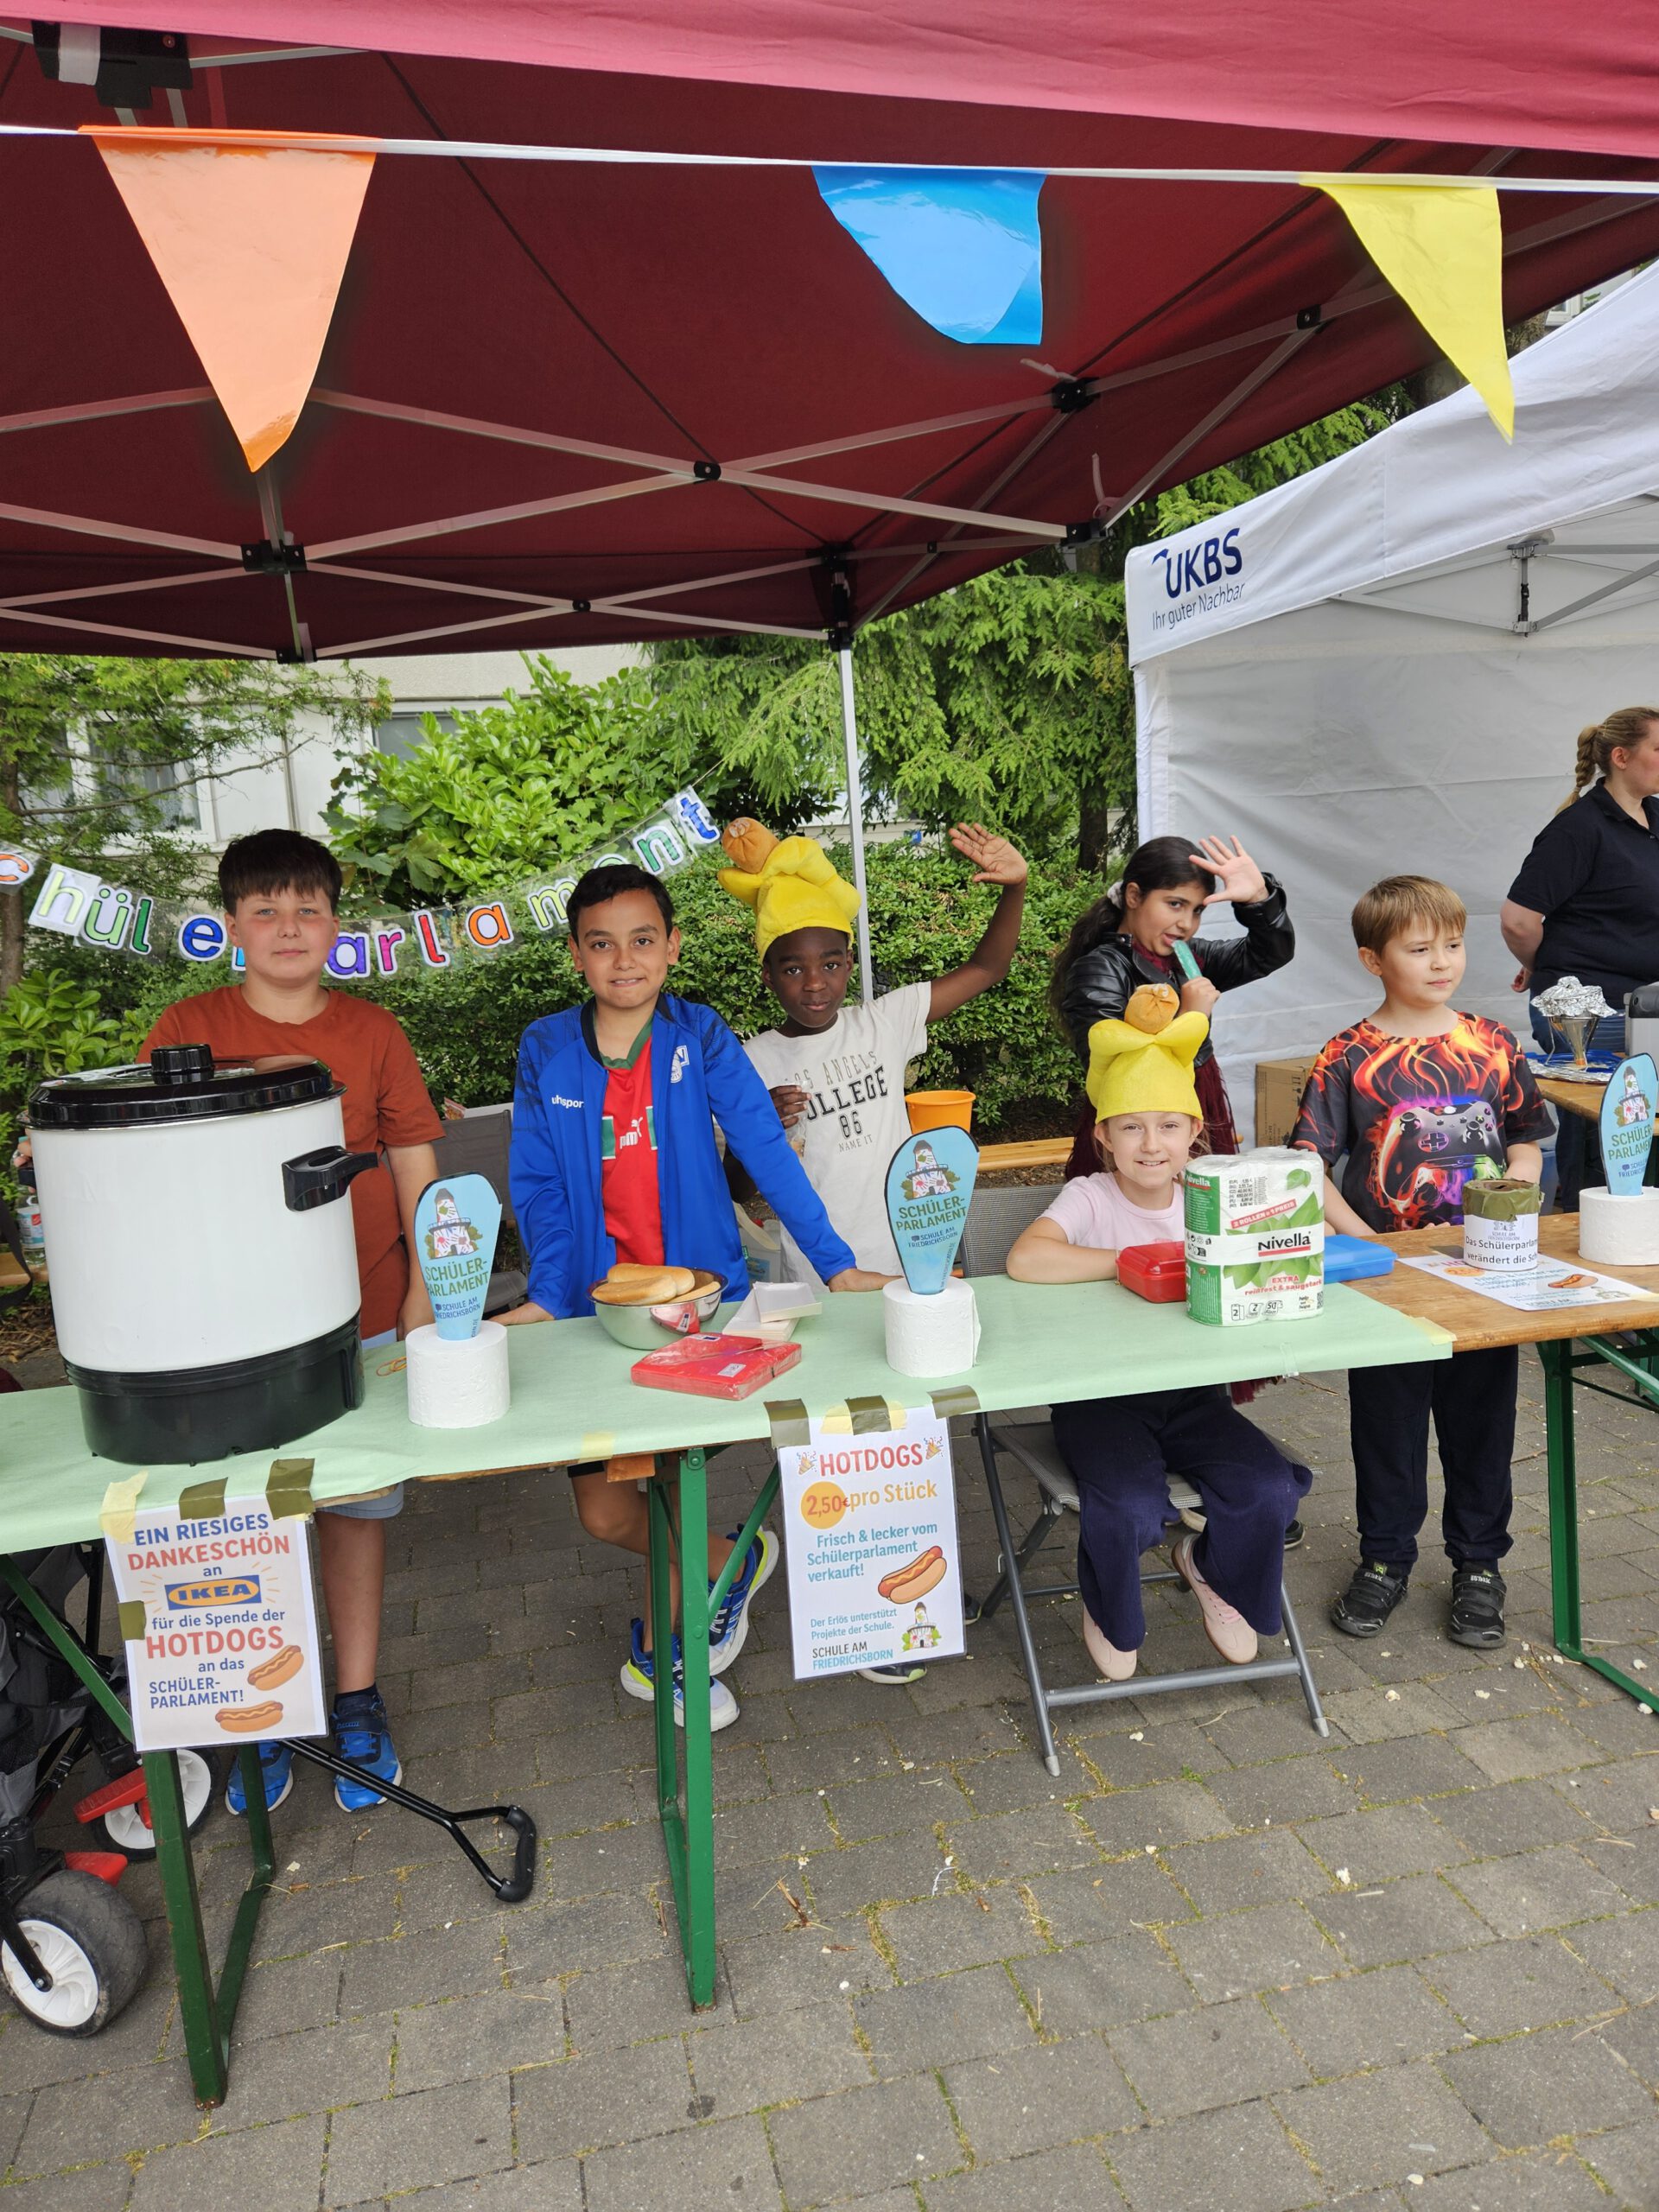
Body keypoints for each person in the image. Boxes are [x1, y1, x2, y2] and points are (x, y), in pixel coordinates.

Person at [504, 861, 885, 1732]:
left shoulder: (699, 1034)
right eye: (602, 944)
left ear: (672, 946)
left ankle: (679, 1652)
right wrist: (550, 1294)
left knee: (672, 1480)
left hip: (702, 1309)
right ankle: (729, 1561)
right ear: (575, 955)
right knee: (606, 1508)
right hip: (594, 1317)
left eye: (643, 940)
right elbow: (538, 1187)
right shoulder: (545, 1048)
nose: (625, 960)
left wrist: (834, 1263)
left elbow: (768, 1149)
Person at [143, 830, 441, 1816]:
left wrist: (425, 1289)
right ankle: (265, 1709)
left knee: (357, 1509)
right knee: (247, 1516)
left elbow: (412, 1165)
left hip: (364, 1312)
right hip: (228, 1338)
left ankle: (354, 1697)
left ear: (335, 926)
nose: (287, 927)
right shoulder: (185, 1026)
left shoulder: (375, 1031)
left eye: (307, 909)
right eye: (264, 910)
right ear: (229, 925)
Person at [721, 817, 1027, 1680]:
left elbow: (989, 969)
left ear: (850, 964)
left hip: (901, 1270)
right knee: (831, 1439)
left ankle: (909, 1599)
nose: (812, 981)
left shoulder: (885, 1023)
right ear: (768, 974)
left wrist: (1015, 889)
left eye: (827, 962)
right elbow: (743, 1190)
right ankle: (853, 1599)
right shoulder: (751, 1060)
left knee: (906, 1432)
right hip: (816, 1282)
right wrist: (755, 1134)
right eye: (791, 965)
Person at [1005, 987, 1311, 1680]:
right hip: (1100, 1399)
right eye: (1131, 1127)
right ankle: (1112, 1608)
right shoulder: (1091, 1196)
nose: (1151, 1144)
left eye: (1169, 1127)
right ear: (1103, 1138)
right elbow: (1026, 1259)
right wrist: (1132, 1263)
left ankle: (1213, 1570)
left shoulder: (1211, 1195)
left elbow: (1281, 1247)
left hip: (1195, 1397)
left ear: (1193, 1135)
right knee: (1132, 1507)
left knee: (1268, 1489)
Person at [1291, 874, 1550, 1648]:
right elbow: (1307, 1165)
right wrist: (1360, 1240)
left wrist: (1514, 1194)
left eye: (1453, 944)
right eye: (1418, 948)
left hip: (1483, 1278)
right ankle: (1384, 1560)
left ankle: (1479, 1566)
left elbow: (1528, 1138)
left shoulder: (1493, 1043)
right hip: (1388, 1286)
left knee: (1482, 1426)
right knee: (1388, 1426)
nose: (1441, 961)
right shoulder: (1346, 1056)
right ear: (1374, 959)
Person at [1050, 832, 1294, 1169]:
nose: (1186, 924)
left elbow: (1269, 953)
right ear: (1134, 895)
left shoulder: (1188, 958)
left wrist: (1259, 899)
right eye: (1175, 904)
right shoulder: (1100, 969)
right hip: (1137, 1136)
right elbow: (1112, 1069)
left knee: (1201, 1215)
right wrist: (1191, 1018)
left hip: (1196, 1112)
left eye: (1196, 911)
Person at [1501, 706, 1659, 1206]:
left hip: (1643, 1002)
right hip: (1593, 1008)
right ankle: (1590, 1201)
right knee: (1616, 1101)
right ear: (1621, 756)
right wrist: (1544, 965)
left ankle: (1603, 1199)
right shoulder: (1579, 828)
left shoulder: (1654, 817)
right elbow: (1518, 920)